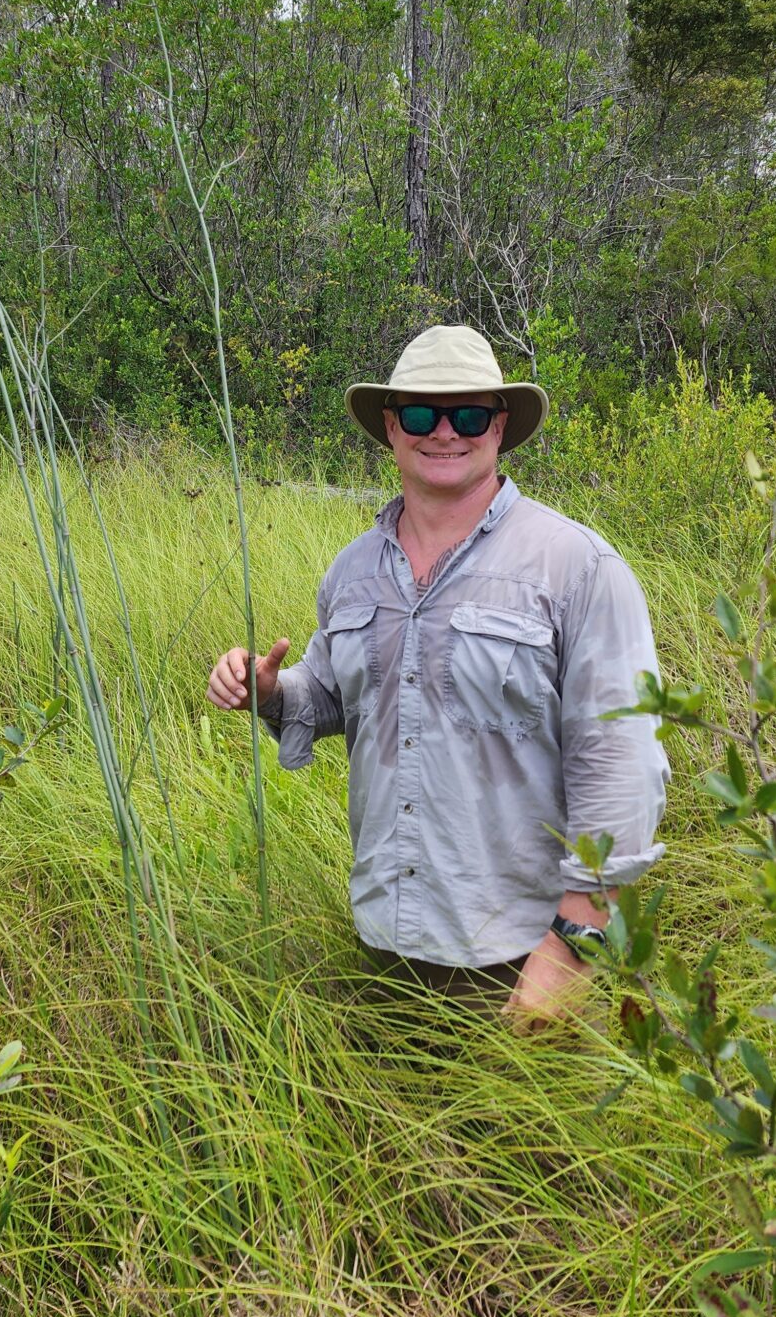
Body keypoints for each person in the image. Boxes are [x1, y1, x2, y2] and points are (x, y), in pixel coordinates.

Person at [204, 324, 668, 1022]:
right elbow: (331, 694)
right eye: (422, 414)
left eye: (469, 415)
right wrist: (269, 691)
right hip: (386, 947)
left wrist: (574, 942)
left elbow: (622, 766)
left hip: (527, 959)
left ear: (499, 426)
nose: (445, 432)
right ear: (392, 427)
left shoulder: (577, 567)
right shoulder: (352, 571)